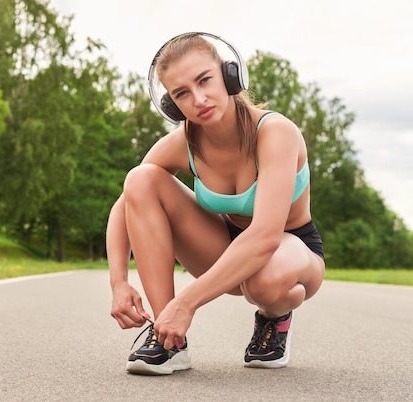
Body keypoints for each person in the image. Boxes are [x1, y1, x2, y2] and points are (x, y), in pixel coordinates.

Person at [106, 32, 325, 376]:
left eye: (204, 80)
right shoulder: (183, 143)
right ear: (171, 105)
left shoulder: (275, 133)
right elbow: (126, 203)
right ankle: (168, 339)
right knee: (140, 178)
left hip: (289, 252)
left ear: (229, 76)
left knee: (266, 280)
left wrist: (187, 302)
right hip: (223, 245)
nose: (199, 98)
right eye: (181, 93)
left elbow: (265, 237)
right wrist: (118, 282)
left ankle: (274, 316)